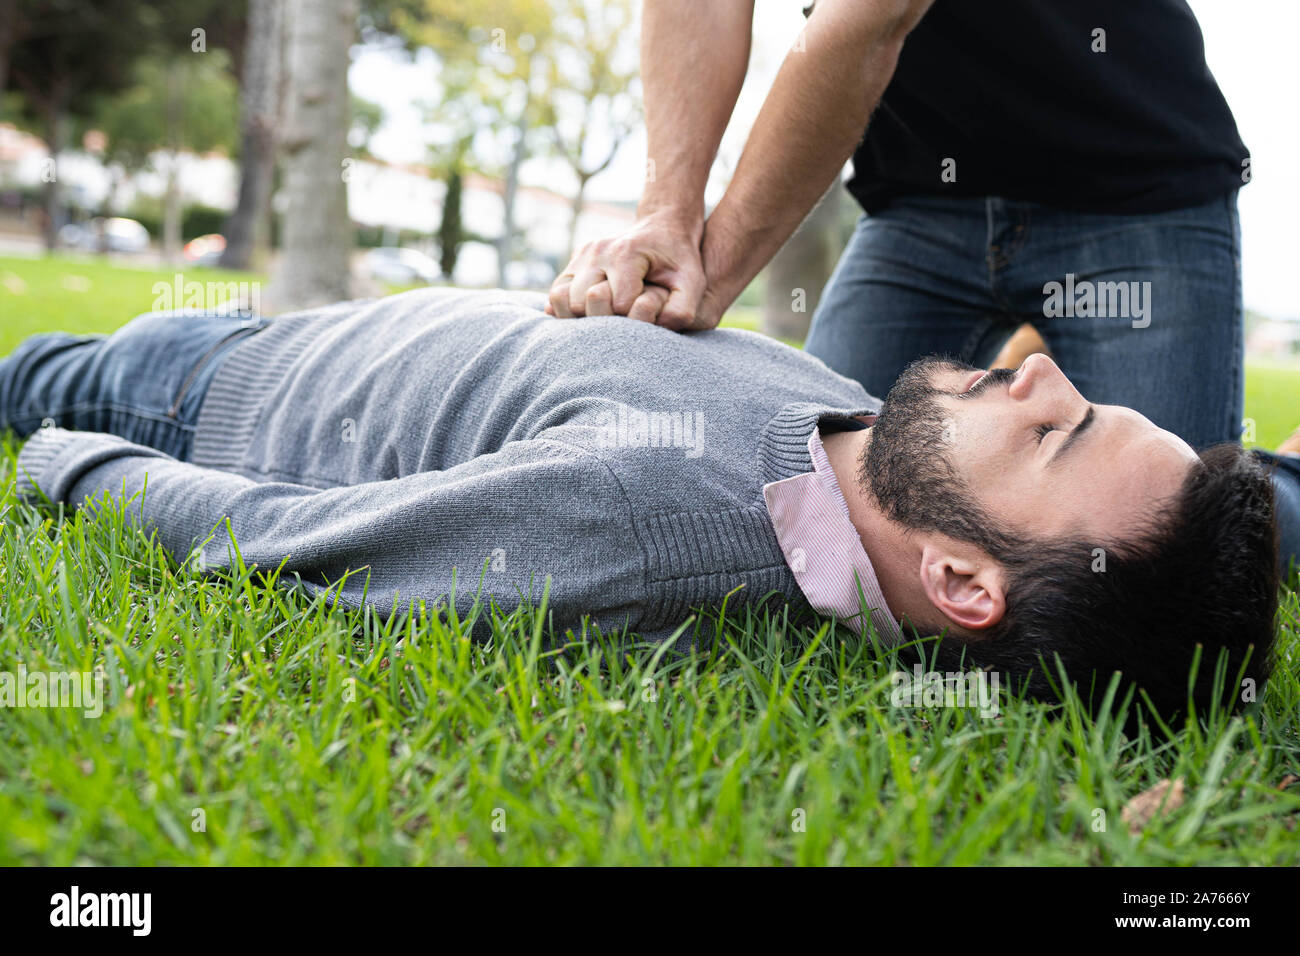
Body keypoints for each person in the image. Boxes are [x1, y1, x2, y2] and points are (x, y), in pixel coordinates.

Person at [0, 289, 1280, 725]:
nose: (1041, 366)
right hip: (290, 333)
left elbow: (280, 544)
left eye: (1053, 430)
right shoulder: (859, 439)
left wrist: (62, 462)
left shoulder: (644, 522)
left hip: (194, 393)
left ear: (959, 581)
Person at [545, 0, 1300, 573]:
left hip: (1137, 190)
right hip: (920, 198)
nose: (1030, 377)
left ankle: (1289, 477)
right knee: (807, 483)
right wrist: (667, 215)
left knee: (1172, 543)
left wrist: (708, 277)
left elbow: (868, 22)